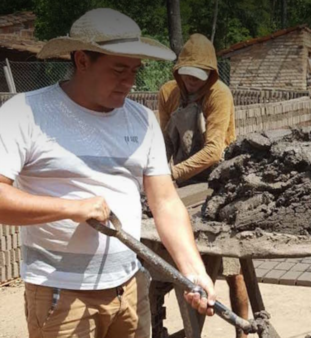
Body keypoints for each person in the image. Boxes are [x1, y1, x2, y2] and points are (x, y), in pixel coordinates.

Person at [0, 8, 216, 338]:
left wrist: (193, 270)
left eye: (134, 70)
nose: (129, 81)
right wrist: (71, 208)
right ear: (82, 60)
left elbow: (166, 204)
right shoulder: (26, 114)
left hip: (129, 290)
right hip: (61, 296)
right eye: (118, 69)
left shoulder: (141, 121)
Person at [157, 34, 249, 338]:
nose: (193, 82)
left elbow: (214, 151)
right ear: (178, 71)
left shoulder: (219, 95)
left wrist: (173, 175)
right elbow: (161, 142)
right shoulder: (169, 93)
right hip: (181, 181)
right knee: (160, 259)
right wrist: (156, 176)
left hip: (219, 181)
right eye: (188, 74)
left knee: (233, 266)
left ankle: (243, 332)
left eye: (200, 76)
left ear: (210, 74)